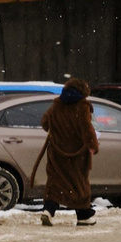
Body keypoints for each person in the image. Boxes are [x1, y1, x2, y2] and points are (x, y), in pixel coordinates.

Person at [39, 79, 99, 225]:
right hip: (77, 154)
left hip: (57, 152)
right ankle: (83, 215)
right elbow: (87, 128)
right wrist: (92, 146)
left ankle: (48, 210)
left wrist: (58, 132)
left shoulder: (57, 104)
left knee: (55, 182)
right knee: (79, 183)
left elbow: (45, 122)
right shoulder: (82, 106)